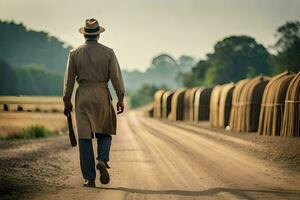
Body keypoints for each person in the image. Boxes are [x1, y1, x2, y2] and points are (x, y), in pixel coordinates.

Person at [63, 18, 125, 187]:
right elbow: (115, 78)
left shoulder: (74, 53)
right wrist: (120, 98)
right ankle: (102, 160)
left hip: (82, 96)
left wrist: (66, 101)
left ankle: (89, 178)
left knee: (84, 137)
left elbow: (69, 81)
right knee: (105, 130)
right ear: (98, 35)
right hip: (101, 95)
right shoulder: (108, 52)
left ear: (84, 34)